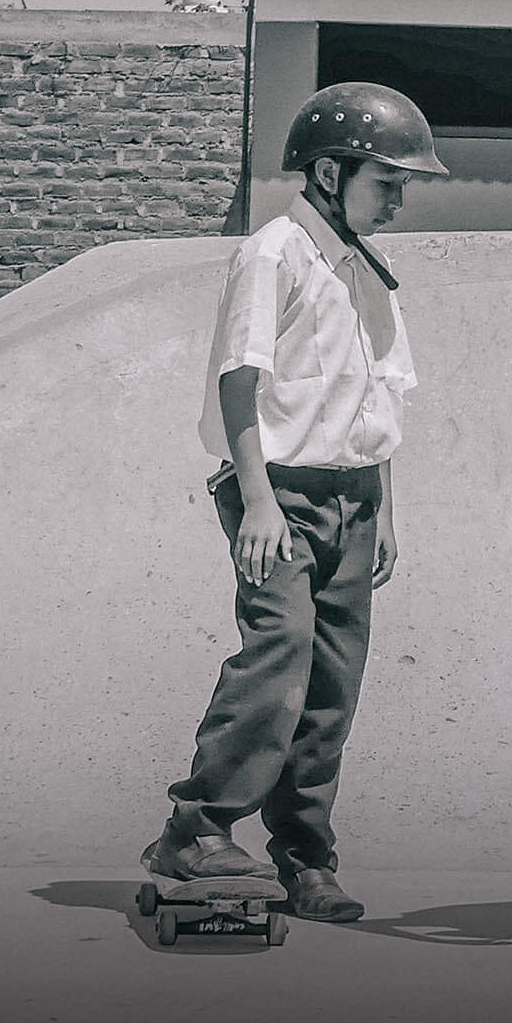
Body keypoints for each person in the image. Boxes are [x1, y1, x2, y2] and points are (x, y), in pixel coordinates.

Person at [142, 82, 447, 924]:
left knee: (332, 686)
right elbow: (239, 382)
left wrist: (384, 509)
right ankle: (195, 828)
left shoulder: (367, 270)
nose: (398, 200)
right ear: (327, 171)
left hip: (353, 501)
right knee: (279, 657)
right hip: (279, 496)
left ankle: (304, 857)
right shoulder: (273, 253)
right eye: (387, 182)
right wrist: (260, 502)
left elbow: (377, 399)